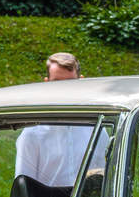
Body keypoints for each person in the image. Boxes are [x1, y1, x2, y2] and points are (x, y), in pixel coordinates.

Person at [14, 52, 94, 187]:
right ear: (46, 84)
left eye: (70, 83)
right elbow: (23, 189)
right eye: (57, 83)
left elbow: (102, 178)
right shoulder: (32, 134)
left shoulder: (96, 130)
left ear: (81, 82)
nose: (64, 90)